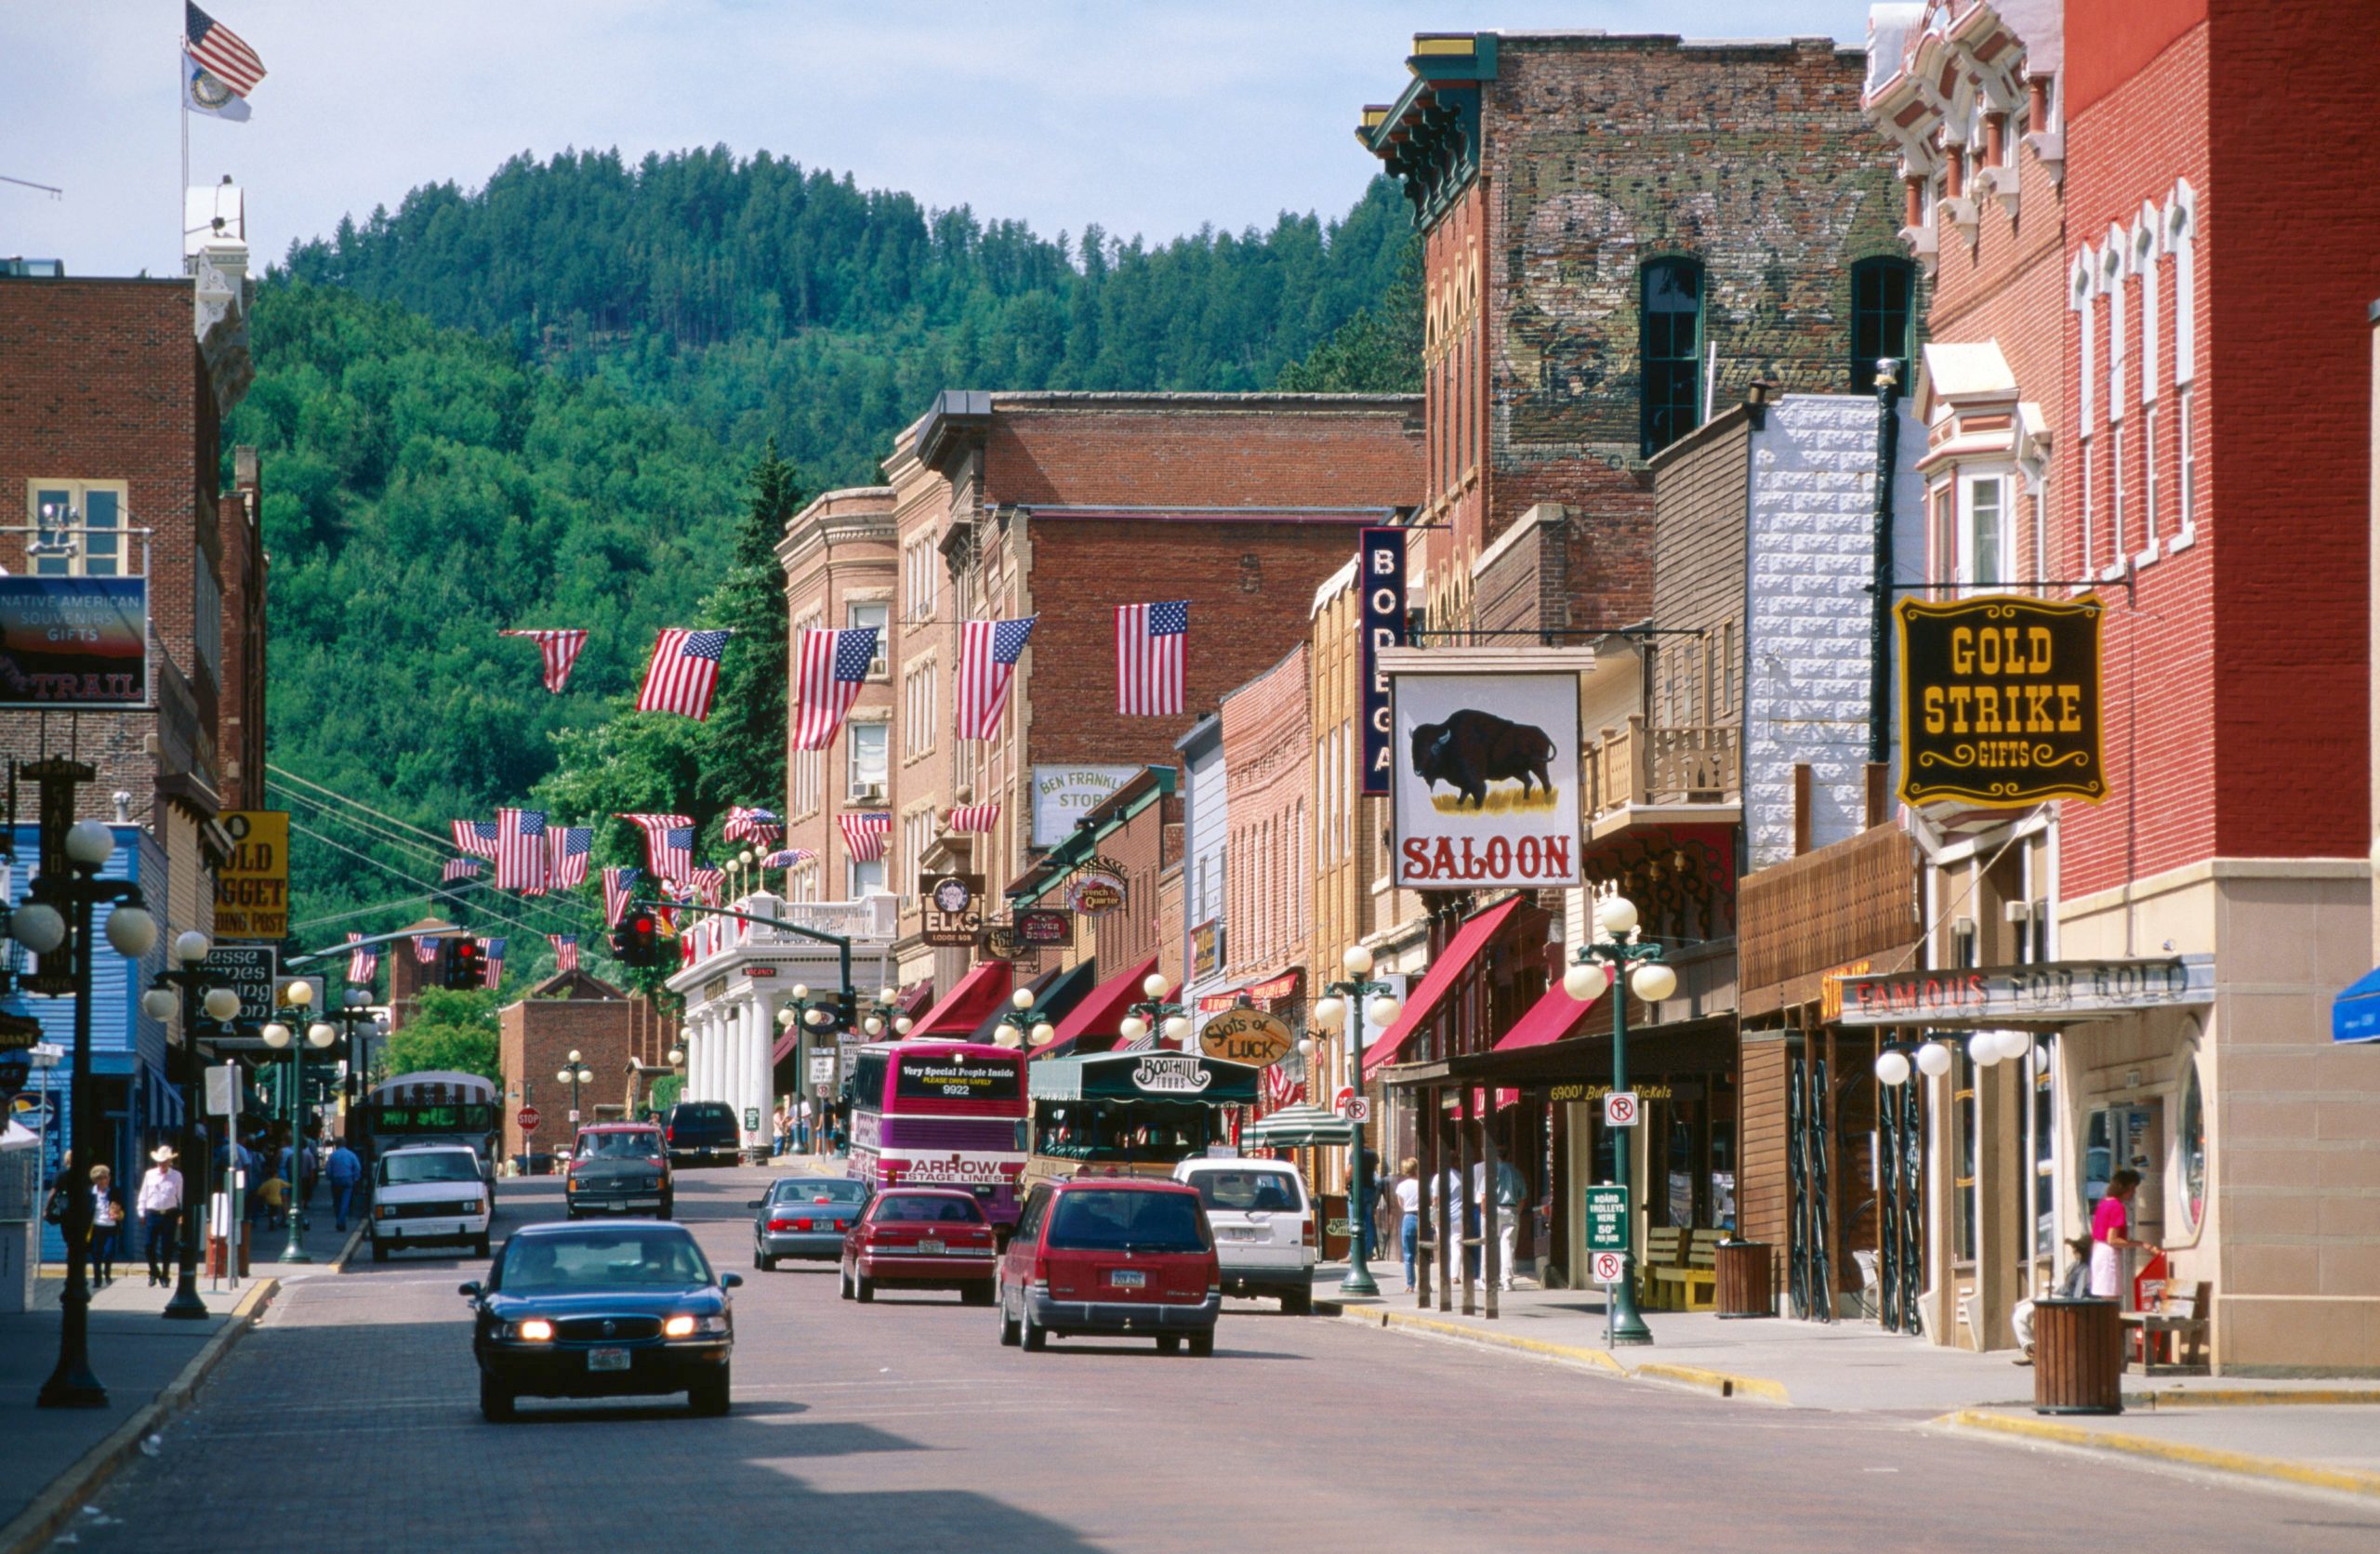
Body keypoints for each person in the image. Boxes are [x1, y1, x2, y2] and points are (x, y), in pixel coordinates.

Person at [2011, 1235, 2095, 1363]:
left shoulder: (2085, 1269)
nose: (2073, 1251)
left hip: (2066, 1301)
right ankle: (2032, 1350)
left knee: (2022, 1315)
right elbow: (2065, 1288)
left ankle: (2034, 1351)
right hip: (2059, 1296)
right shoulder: (2075, 1265)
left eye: (2075, 1248)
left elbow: (2078, 1294)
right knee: (2020, 1311)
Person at [2091, 1169, 2159, 1302]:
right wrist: (2141, 1244)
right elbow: (2113, 1239)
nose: (2134, 1192)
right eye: (2132, 1188)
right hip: (2109, 1255)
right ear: (2126, 1188)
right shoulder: (2117, 1206)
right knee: (2111, 1297)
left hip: (2098, 1251)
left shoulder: (2103, 1203)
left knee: (2105, 1296)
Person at [1473, 1155, 1527, 1292]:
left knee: (1488, 1244)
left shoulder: (1491, 1172)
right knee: (1507, 1245)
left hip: (1492, 1209)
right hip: (1511, 1210)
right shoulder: (1516, 1172)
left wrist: (1484, 1214)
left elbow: (1484, 1196)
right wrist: (1516, 1212)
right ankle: (1507, 1281)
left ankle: (1487, 1279)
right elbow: (1522, 1196)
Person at [138, 1145, 185, 1287]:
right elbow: (143, 1193)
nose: (161, 1164)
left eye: (164, 1161)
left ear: (170, 1161)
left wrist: (182, 1213)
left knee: (167, 1247)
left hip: (169, 1214)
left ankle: (165, 1274)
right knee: (148, 1245)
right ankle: (153, 1271)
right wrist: (141, 1211)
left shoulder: (176, 1176)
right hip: (153, 1213)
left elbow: (180, 1196)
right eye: (159, 1162)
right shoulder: (150, 1174)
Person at [89, 1165, 124, 1285]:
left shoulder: (115, 1190)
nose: (106, 1180)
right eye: (103, 1178)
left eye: (107, 1177)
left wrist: (118, 1214)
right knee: (96, 1253)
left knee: (109, 1251)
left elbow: (121, 1207)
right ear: (97, 1180)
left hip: (111, 1226)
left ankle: (107, 1272)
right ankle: (97, 1279)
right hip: (96, 1226)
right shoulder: (91, 1192)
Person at [1394, 1158, 1422, 1292]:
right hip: (1422, 1217)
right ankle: (1425, 1282)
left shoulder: (1401, 1186)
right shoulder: (1422, 1185)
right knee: (1424, 1252)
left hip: (1408, 1217)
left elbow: (1401, 1204)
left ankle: (1410, 1284)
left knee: (1409, 1254)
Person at [324, 1139, 363, 1231]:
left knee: (337, 1202)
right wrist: (355, 1178)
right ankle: (341, 1221)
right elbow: (357, 1167)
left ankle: (339, 1220)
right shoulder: (351, 1154)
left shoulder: (332, 1156)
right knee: (345, 1202)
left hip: (336, 1180)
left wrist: (330, 1177)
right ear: (345, 1144)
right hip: (348, 1179)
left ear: (336, 1145)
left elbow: (328, 1170)